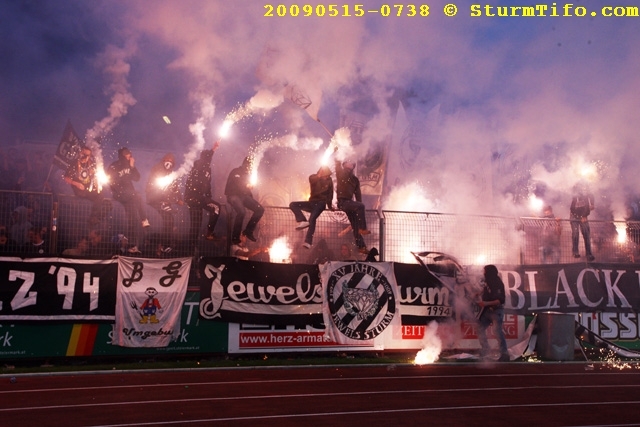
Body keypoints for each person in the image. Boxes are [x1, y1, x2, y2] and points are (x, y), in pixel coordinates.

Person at [107, 147, 150, 254]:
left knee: (134, 216)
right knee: (135, 212)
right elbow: (111, 181)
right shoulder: (114, 166)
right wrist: (118, 192)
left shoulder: (129, 165)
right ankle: (143, 221)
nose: (129, 156)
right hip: (121, 194)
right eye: (127, 154)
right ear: (122, 154)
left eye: (129, 154)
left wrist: (132, 166)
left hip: (129, 195)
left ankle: (134, 243)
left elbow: (137, 178)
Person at [184, 142, 221, 249]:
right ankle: (209, 233)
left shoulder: (207, 168)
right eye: (209, 157)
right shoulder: (199, 165)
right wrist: (212, 150)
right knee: (216, 207)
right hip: (193, 196)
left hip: (197, 198)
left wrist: (208, 197)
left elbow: (208, 184)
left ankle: (191, 247)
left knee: (196, 224)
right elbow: (206, 158)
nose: (211, 159)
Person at [289, 165, 333, 249]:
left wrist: (330, 206)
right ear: (321, 173)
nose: (327, 177)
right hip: (312, 202)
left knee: (312, 219)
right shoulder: (313, 177)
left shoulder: (329, 180)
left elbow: (330, 194)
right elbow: (313, 180)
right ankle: (302, 220)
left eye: (328, 175)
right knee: (293, 204)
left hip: (321, 204)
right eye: (326, 175)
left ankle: (308, 242)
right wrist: (319, 175)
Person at [146, 153, 184, 250]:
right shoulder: (158, 169)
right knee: (163, 188)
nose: (169, 163)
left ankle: (165, 244)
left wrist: (179, 198)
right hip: (154, 197)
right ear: (164, 160)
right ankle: (163, 204)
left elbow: (175, 188)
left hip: (163, 200)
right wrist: (175, 200)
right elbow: (158, 185)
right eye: (168, 160)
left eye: (171, 161)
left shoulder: (171, 173)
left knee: (169, 219)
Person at [225, 156, 264, 244]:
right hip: (233, 195)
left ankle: (248, 231)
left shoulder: (248, 175)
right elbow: (238, 184)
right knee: (242, 212)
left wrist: (252, 200)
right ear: (246, 164)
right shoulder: (236, 171)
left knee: (260, 209)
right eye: (250, 165)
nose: (251, 168)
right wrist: (246, 186)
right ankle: (235, 237)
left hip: (243, 196)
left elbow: (247, 191)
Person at [63, 145, 105, 226]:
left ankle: (93, 218)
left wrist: (97, 185)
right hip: (78, 190)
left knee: (101, 196)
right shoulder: (74, 163)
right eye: (84, 154)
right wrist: (76, 183)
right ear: (81, 153)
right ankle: (91, 219)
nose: (86, 157)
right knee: (83, 194)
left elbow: (95, 176)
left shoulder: (91, 164)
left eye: (88, 155)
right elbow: (66, 178)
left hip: (87, 189)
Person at [335, 158, 370, 254]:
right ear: (344, 164)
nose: (350, 163)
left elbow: (358, 195)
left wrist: (359, 207)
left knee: (355, 226)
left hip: (350, 203)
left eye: (352, 162)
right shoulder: (340, 173)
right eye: (348, 162)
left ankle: (361, 247)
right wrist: (336, 152)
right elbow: (337, 163)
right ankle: (363, 228)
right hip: (342, 202)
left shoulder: (355, 180)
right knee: (361, 207)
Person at [476, 265, 510, 362]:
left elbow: (500, 300)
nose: (483, 273)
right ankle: (486, 349)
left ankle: (504, 354)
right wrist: (479, 293)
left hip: (496, 311)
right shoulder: (488, 281)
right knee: (479, 328)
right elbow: (486, 290)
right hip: (487, 311)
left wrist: (485, 303)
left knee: (497, 331)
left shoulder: (497, 283)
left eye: (485, 271)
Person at [570, 183, 595, 261]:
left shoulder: (586, 194)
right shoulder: (575, 197)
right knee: (575, 233)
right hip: (574, 216)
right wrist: (580, 217)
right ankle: (575, 252)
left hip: (583, 216)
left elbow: (591, 196)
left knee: (586, 234)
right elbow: (573, 209)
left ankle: (589, 254)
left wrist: (592, 204)